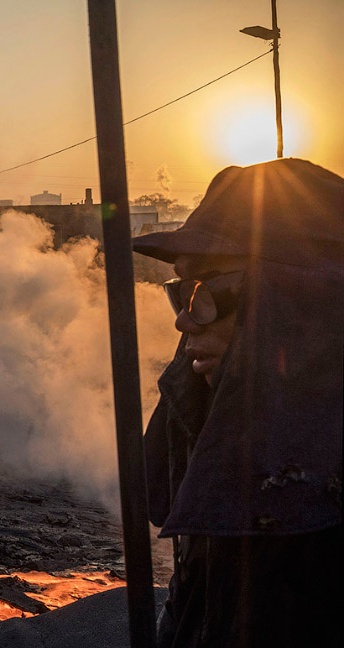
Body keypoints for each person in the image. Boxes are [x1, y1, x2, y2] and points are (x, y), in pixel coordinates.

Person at [132, 157, 343, 648]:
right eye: (181, 291)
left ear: (302, 305)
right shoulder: (216, 432)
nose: (185, 322)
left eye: (209, 290)